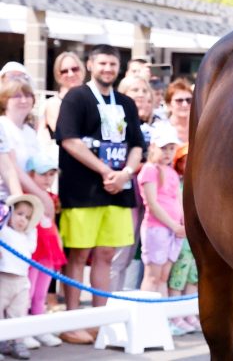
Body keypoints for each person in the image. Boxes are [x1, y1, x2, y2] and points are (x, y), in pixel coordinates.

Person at [55, 44, 144, 345]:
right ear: (90, 64)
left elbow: (136, 145)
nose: (108, 68)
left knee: (107, 254)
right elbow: (69, 140)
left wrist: (125, 174)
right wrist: (105, 170)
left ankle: (100, 320)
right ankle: (72, 320)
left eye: (112, 64)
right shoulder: (76, 97)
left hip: (119, 191)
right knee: (79, 254)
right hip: (83, 191)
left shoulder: (127, 103)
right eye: (102, 63)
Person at [111, 75, 166, 292]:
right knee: (124, 249)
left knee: (152, 253)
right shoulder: (117, 120)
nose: (141, 95)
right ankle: (113, 302)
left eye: (145, 90)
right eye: (135, 90)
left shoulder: (162, 123)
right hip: (129, 188)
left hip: (158, 193)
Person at [137, 126, 189, 335]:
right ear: (153, 147)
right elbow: (152, 203)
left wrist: (184, 223)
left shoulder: (171, 172)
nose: (167, 153)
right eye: (163, 148)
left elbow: (178, 198)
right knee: (152, 275)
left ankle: (162, 319)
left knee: (163, 277)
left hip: (174, 230)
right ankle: (145, 320)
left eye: (170, 148)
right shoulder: (150, 170)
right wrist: (174, 225)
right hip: (157, 229)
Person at [24, 154, 65, 349]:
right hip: (33, 253)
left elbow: (52, 226)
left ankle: (39, 329)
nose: (48, 179)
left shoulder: (51, 198)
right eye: (43, 175)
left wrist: (59, 244)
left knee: (40, 294)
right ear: (30, 175)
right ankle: (23, 331)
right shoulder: (27, 199)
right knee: (27, 293)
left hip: (49, 253)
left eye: (51, 174)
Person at [0, 79, 56, 223]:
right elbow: (11, 169)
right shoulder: (3, 125)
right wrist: (39, 198)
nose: (24, 100)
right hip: (7, 200)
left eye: (28, 95)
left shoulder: (29, 131)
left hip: (27, 201)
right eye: (17, 96)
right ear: (5, 100)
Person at [0, 194, 43, 360]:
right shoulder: (4, 232)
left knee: (18, 312)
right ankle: (2, 340)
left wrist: (32, 225)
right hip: (4, 278)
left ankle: (18, 342)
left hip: (22, 281)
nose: (23, 219)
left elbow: (32, 247)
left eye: (27, 217)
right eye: (19, 214)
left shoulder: (27, 237)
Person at [167, 143, 200, 333]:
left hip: (195, 238)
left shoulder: (200, 184)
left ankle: (189, 313)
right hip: (182, 237)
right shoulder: (178, 184)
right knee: (177, 277)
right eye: (184, 161)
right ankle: (176, 315)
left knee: (193, 277)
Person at [40, 52, 86, 146]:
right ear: (58, 75)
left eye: (74, 69)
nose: (71, 74)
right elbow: (66, 133)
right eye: (64, 71)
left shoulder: (92, 98)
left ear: (82, 70)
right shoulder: (53, 104)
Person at [163, 79, 193, 143]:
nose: (185, 104)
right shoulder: (161, 130)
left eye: (189, 100)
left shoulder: (199, 129)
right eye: (179, 100)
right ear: (169, 105)